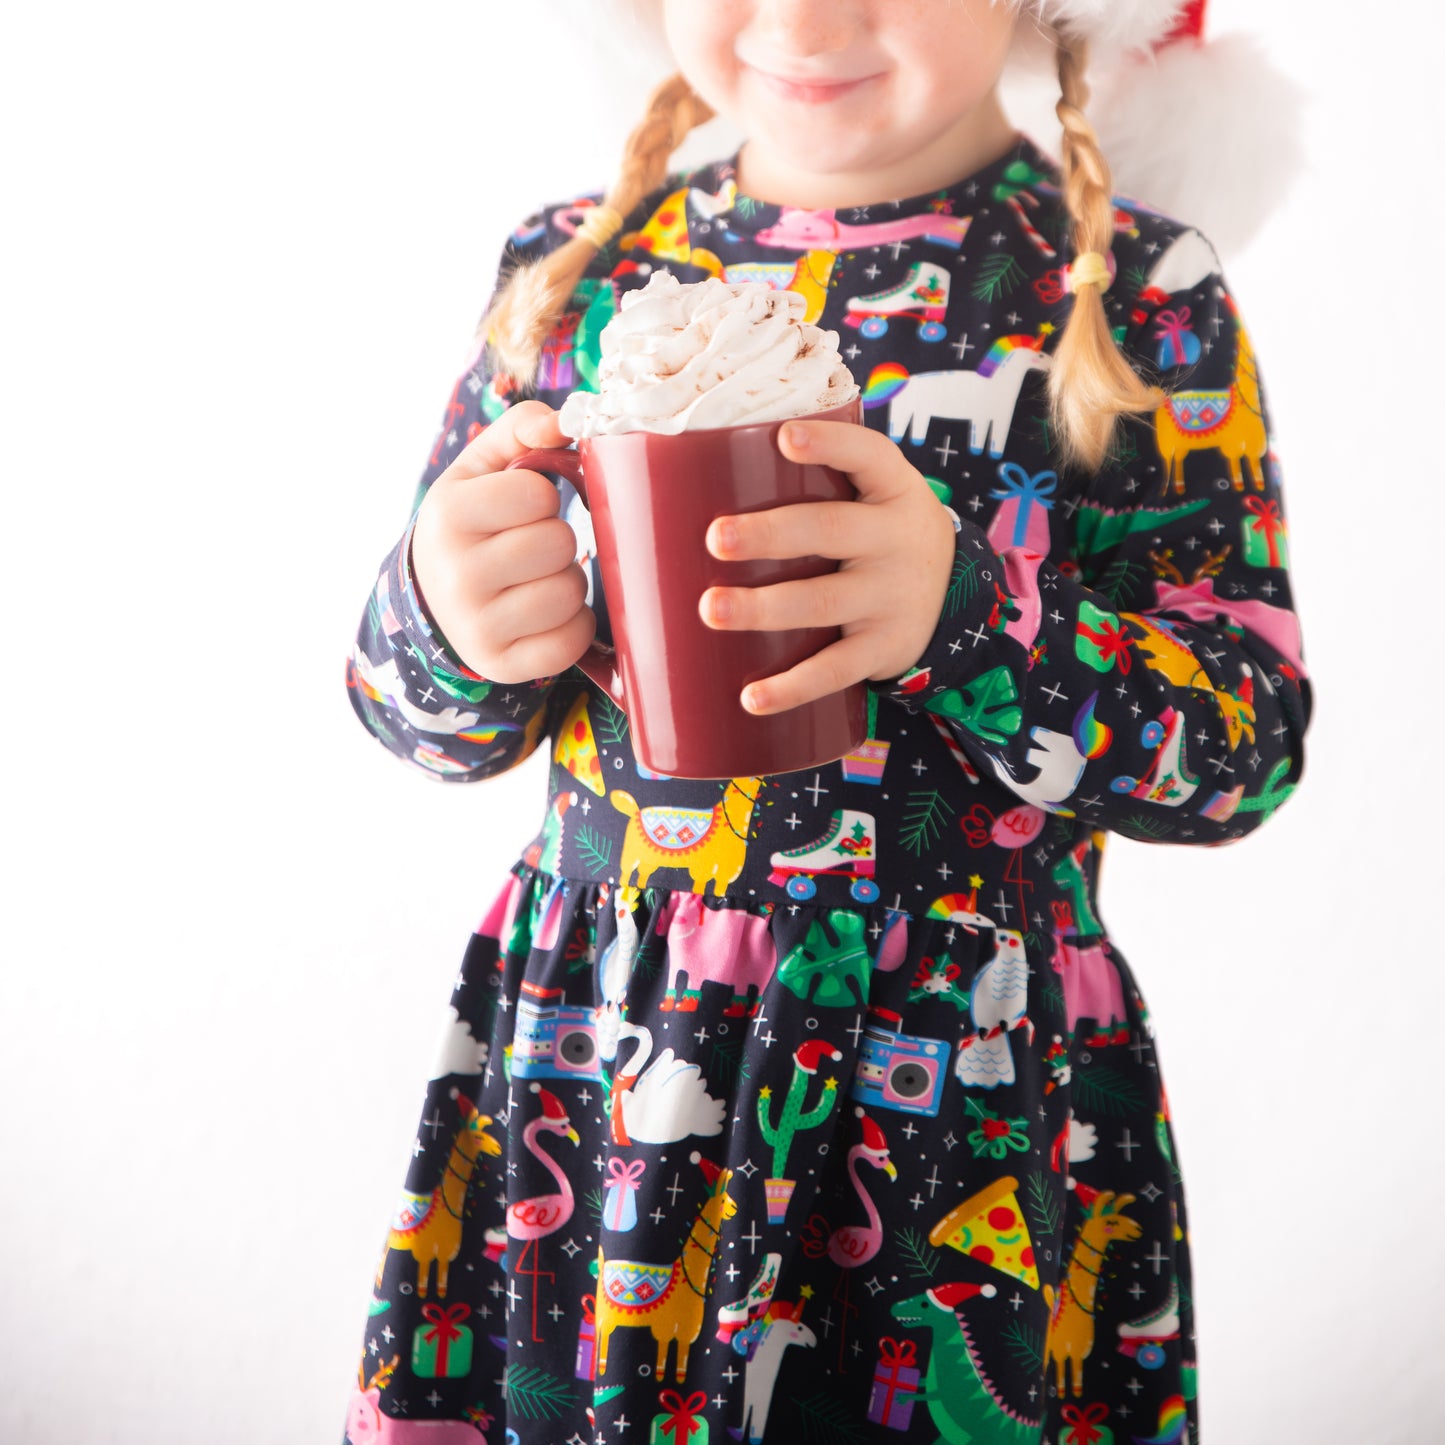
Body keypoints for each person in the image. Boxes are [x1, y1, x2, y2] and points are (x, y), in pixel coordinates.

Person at [342, 1, 1310, 1440]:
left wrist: (968, 617)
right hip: (611, 1057)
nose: (803, 16)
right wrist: (446, 612)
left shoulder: (1137, 293)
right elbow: (415, 714)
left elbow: (1245, 747)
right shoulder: (573, 271)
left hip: (963, 1094)